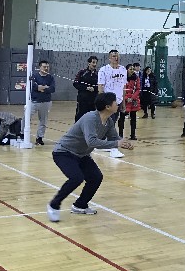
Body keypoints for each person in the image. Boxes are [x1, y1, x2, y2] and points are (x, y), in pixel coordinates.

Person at [46, 93, 134, 222]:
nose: (118, 104)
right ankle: (53, 205)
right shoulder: (90, 118)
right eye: (115, 102)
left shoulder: (108, 121)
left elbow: (114, 138)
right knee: (76, 178)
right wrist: (116, 143)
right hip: (64, 153)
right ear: (108, 106)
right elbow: (92, 142)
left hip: (82, 155)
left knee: (96, 177)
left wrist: (124, 143)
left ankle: (80, 205)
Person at [97, 49, 127, 158]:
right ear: (109, 58)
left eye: (117, 56)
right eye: (114, 56)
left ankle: (103, 144)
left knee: (111, 124)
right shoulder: (104, 70)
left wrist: (123, 102)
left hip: (118, 102)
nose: (116, 58)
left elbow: (124, 87)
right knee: (111, 125)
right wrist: (102, 103)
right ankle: (113, 149)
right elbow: (100, 87)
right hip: (108, 102)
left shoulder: (123, 69)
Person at [28, 60, 56, 146]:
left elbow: (52, 89)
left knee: (43, 121)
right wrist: (41, 87)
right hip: (34, 101)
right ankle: (21, 134)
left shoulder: (50, 77)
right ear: (40, 67)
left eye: (47, 67)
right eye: (44, 67)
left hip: (45, 102)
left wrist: (42, 88)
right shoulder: (34, 76)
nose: (46, 68)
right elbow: (33, 86)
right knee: (26, 118)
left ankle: (39, 138)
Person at [73, 56, 99, 122]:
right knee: (79, 118)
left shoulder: (98, 74)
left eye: (96, 63)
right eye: (93, 62)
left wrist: (94, 88)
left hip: (93, 101)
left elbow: (101, 86)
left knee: (91, 119)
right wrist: (86, 88)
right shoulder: (82, 73)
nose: (95, 64)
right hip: (82, 100)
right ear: (89, 63)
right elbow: (75, 84)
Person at [119, 64, 140, 140]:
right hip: (124, 101)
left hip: (133, 100)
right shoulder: (122, 78)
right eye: (130, 69)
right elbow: (120, 89)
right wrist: (126, 98)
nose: (132, 71)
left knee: (133, 118)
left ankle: (133, 135)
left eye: (133, 69)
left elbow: (138, 89)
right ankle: (120, 135)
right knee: (122, 118)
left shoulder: (136, 78)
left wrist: (132, 97)